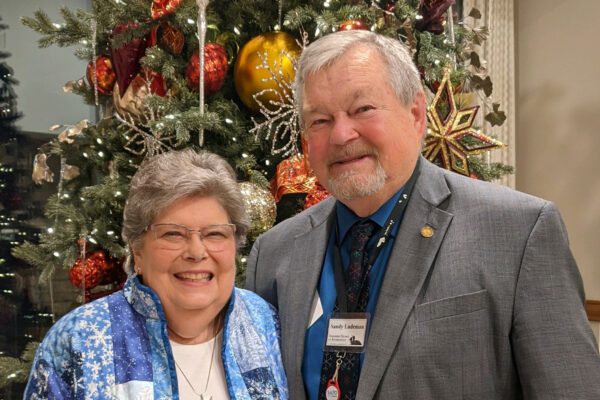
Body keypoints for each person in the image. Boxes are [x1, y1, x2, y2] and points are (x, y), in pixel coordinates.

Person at [246, 30, 600, 400]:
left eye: (362, 109)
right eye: (319, 120)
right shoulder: (274, 255)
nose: (340, 134)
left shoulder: (517, 233)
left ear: (416, 114)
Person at [25, 149, 288, 399]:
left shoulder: (265, 324)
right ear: (137, 251)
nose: (196, 252)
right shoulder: (78, 340)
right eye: (173, 234)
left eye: (215, 234)